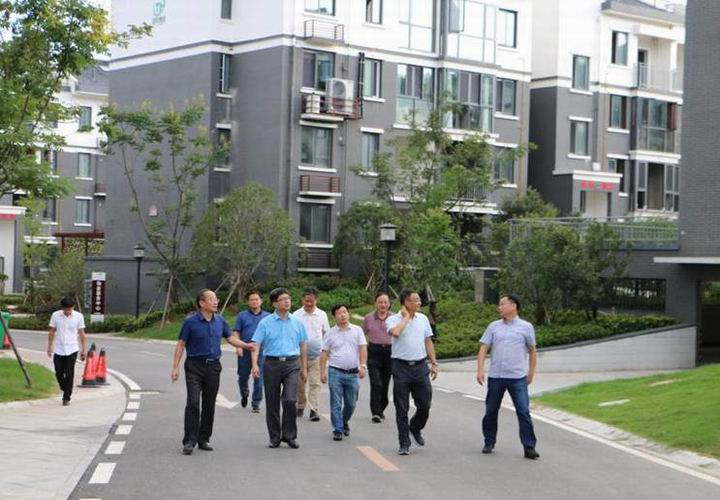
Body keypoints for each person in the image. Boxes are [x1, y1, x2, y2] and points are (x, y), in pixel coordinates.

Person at [171, 289, 254, 456]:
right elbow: (181, 344)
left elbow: (230, 338)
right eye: (212, 299)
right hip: (194, 366)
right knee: (193, 402)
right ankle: (189, 441)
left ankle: (204, 439)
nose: (216, 302)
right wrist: (175, 367)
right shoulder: (190, 322)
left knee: (209, 404)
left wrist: (246, 345)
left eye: (216, 299)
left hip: (214, 367)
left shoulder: (220, 320)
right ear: (202, 303)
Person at [476, 294, 539, 460]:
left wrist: (531, 372)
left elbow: (532, 350)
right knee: (491, 411)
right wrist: (480, 369)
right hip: (496, 376)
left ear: (513, 306)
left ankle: (529, 446)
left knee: (523, 411)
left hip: (517, 377)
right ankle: (489, 441)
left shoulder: (526, 327)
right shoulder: (493, 326)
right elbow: (484, 348)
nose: (499, 307)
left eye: (502, 304)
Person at [252, 287, 308, 449]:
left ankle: (289, 435)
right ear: (275, 304)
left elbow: (303, 345)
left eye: (288, 298)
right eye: (283, 299)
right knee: (272, 402)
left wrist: (304, 368)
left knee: (290, 400)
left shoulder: (297, 322)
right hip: (271, 364)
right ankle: (275, 437)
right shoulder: (265, 323)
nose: (287, 301)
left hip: (292, 364)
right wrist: (254, 364)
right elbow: (256, 344)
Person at [386, 288, 439, 456]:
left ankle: (415, 427)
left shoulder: (423, 319)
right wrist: (406, 317)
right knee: (401, 407)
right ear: (406, 302)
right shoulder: (392, 319)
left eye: (419, 300)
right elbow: (396, 333)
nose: (419, 303)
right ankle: (404, 443)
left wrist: (434, 362)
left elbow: (428, 341)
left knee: (425, 404)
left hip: (420, 366)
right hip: (400, 367)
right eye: (416, 300)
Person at [320, 304, 367, 441]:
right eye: (339, 313)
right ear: (334, 316)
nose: (343, 315)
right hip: (335, 371)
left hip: (353, 372)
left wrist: (363, 366)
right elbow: (324, 353)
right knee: (336, 402)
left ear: (348, 314)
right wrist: (322, 371)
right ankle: (338, 429)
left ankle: (344, 420)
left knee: (351, 403)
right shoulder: (330, 333)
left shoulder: (357, 330)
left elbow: (363, 348)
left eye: (345, 312)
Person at [292, 287, 329, 422]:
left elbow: (326, 333)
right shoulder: (296, 315)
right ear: (303, 300)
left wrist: (327, 352)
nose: (309, 303)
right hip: (299, 356)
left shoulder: (322, 315)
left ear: (316, 300)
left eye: (311, 301)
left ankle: (314, 409)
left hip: (316, 355)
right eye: (306, 301)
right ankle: (300, 405)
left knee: (315, 383)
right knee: (300, 383)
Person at [232, 290, 270, 413]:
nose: (254, 301)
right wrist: (238, 347)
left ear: (261, 301)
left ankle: (256, 403)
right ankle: (244, 393)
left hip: (262, 350)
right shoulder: (242, 316)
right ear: (248, 302)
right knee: (243, 376)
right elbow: (236, 332)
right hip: (245, 348)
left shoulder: (268, 316)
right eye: (252, 299)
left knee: (259, 377)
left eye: (256, 299)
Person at [47, 296, 87, 406]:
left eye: (70, 309)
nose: (68, 311)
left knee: (69, 373)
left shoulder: (79, 316)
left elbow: (82, 334)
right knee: (58, 372)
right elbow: (52, 331)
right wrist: (49, 346)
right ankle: (65, 388)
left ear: (73, 307)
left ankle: (66, 397)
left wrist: (83, 350)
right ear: (62, 308)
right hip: (59, 349)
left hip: (72, 349)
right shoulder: (55, 315)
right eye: (66, 309)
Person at [362, 292, 392, 423]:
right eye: (380, 302)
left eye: (385, 302)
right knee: (376, 383)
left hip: (390, 353)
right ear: (375, 303)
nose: (383, 305)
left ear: (389, 304)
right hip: (374, 352)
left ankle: (381, 408)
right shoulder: (368, 318)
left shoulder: (394, 318)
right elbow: (362, 336)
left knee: (385, 384)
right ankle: (376, 412)